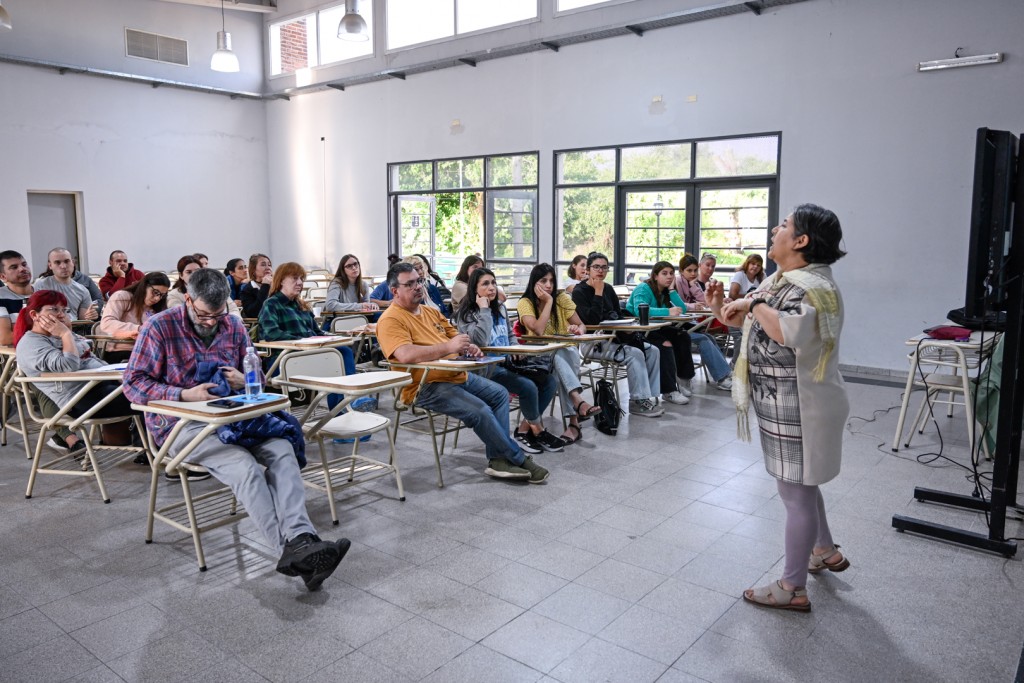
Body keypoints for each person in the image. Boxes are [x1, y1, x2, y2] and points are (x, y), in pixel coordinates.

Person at [123, 268, 351, 591]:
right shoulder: (159, 327)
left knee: (284, 450)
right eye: (203, 314)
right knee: (245, 467)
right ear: (187, 299)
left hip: (235, 418)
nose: (211, 322)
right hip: (181, 425)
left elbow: (254, 368)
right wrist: (184, 394)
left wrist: (246, 380)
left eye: (218, 315)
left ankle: (301, 537)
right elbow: (133, 384)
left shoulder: (231, 324)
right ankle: (291, 552)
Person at [706, 204, 850, 611]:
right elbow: (749, 322)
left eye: (785, 225)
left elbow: (785, 331)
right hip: (785, 401)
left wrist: (753, 306)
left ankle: (792, 587)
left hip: (803, 403)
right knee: (803, 483)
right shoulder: (783, 279)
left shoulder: (811, 287)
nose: (775, 229)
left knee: (794, 493)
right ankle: (823, 549)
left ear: (801, 241)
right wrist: (722, 307)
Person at [377, 262, 549, 483]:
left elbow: (458, 337)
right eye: (409, 284)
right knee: (481, 411)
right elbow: (405, 355)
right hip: (425, 385)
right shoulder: (390, 319)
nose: (418, 286)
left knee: (498, 394)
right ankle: (517, 457)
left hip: (455, 374)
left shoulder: (431, 312)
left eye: (418, 281)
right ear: (394, 291)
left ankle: (497, 461)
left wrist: (469, 347)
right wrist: (449, 348)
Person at [15, 291, 139, 458]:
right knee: (148, 398)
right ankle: (160, 454)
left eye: (64, 310)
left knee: (150, 387)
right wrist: (66, 334)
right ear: (35, 315)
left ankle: (153, 452)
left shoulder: (59, 334)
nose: (61, 315)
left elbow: (91, 356)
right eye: (53, 309)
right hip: (79, 400)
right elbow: (69, 366)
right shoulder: (31, 344)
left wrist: (116, 374)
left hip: (98, 386)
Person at [454, 267, 563, 454]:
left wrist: (515, 349)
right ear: (474, 289)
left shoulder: (501, 308)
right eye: (485, 284)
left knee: (549, 381)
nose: (491, 288)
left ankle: (525, 430)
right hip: (487, 368)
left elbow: (510, 335)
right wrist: (484, 310)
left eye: (493, 283)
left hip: (509, 362)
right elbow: (479, 340)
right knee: (528, 387)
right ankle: (537, 430)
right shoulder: (467, 314)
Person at [571, 253, 663, 418]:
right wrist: (598, 293)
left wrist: (625, 327)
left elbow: (616, 313)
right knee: (634, 354)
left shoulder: (608, 288)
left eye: (604, 267)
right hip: (593, 341)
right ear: (589, 269)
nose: (600, 271)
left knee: (653, 350)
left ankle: (651, 395)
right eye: (596, 267)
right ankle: (638, 401)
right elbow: (590, 321)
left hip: (615, 337)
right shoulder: (580, 291)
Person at [516, 263, 600, 444]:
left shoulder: (562, 297)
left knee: (562, 355)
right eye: (543, 281)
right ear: (533, 283)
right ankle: (575, 417)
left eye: (552, 281)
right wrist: (548, 302)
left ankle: (576, 409)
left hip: (561, 354)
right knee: (561, 353)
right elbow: (538, 330)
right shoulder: (525, 303)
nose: (548, 286)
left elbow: (582, 325)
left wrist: (577, 330)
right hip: (536, 357)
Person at [258, 262, 357, 377]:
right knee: (333, 360)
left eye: (301, 279)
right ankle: (342, 392)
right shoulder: (271, 304)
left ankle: (345, 392)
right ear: (281, 281)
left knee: (344, 350)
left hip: (308, 352)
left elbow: (317, 332)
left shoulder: (302, 305)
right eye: (295, 278)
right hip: (285, 357)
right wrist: (303, 340)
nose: (300, 282)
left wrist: (336, 337)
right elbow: (271, 334)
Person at [624, 261, 697, 405]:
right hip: (640, 329)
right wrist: (667, 311)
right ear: (655, 276)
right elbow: (640, 310)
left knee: (683, 336)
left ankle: (683, 378)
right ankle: (668, 391)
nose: (669, 277)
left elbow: (682, 308)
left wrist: (672, 290)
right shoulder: (643, 288)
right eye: (664, 273)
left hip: (658, 326)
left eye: (671, 273)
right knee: (665, 344)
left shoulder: (664, 291)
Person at [668, 255, 734, 391]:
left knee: (708, 337)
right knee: (704, 338)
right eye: (689, 271)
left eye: (694, 271)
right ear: (681, 271)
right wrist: (692, 306)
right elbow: (678, 305)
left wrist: (693, 286)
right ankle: (722, 377)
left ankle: (725, 373)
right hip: (676, 326)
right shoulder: (677, 282)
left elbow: (705, 301)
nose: (693, 274)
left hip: (688, 323)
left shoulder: (694, 282)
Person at [98, 272, 171, 362]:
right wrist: (139, 329)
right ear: (144, 286)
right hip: (122, 351)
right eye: (155, 292)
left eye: (162, 295)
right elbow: (107, 324)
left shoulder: (158, 308)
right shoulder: (122, 297)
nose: (157, 298)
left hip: (150, 351)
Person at [369, 255, 450, 316]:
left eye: (421, 268)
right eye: (416, 269)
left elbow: (445, 312)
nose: (421, 272)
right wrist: (388, 303)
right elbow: (371, 299)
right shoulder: (388, 285)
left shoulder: (432, 288)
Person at [34, 248, 98, 322]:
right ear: (50, 265)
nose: (63, 266)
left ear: (73, 263)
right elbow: (36, 312)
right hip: (48, 329)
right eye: (57, 262)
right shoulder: (41, 284)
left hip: (74, 329)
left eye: (67, 261)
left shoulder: (83, 290)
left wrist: (90, 315)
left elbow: (83, 319)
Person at [167, 255, 241, 318]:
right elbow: (180, 316)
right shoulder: (174, 295)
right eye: (189, 272)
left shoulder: (216, 288)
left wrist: (231, 323)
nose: (194, 275)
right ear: (181, 275)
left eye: (197, 271)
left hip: (221, 327)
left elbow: (233, 309)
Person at [0, 250, 34, 346]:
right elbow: (5, 338)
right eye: (14, 267)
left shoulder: (44, 293)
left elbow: (62, 327)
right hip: (17, 356)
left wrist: (17, 328)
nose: (22, 269)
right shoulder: (1, 297)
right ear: (3, 277)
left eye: (24, 264)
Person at [240, 253, 273, 319]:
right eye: (263, 265)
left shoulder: (277, 286)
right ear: (254, 270)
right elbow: (254, 313)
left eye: (269, 265)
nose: (268, 268)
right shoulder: (247, 290)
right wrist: (265, 286)